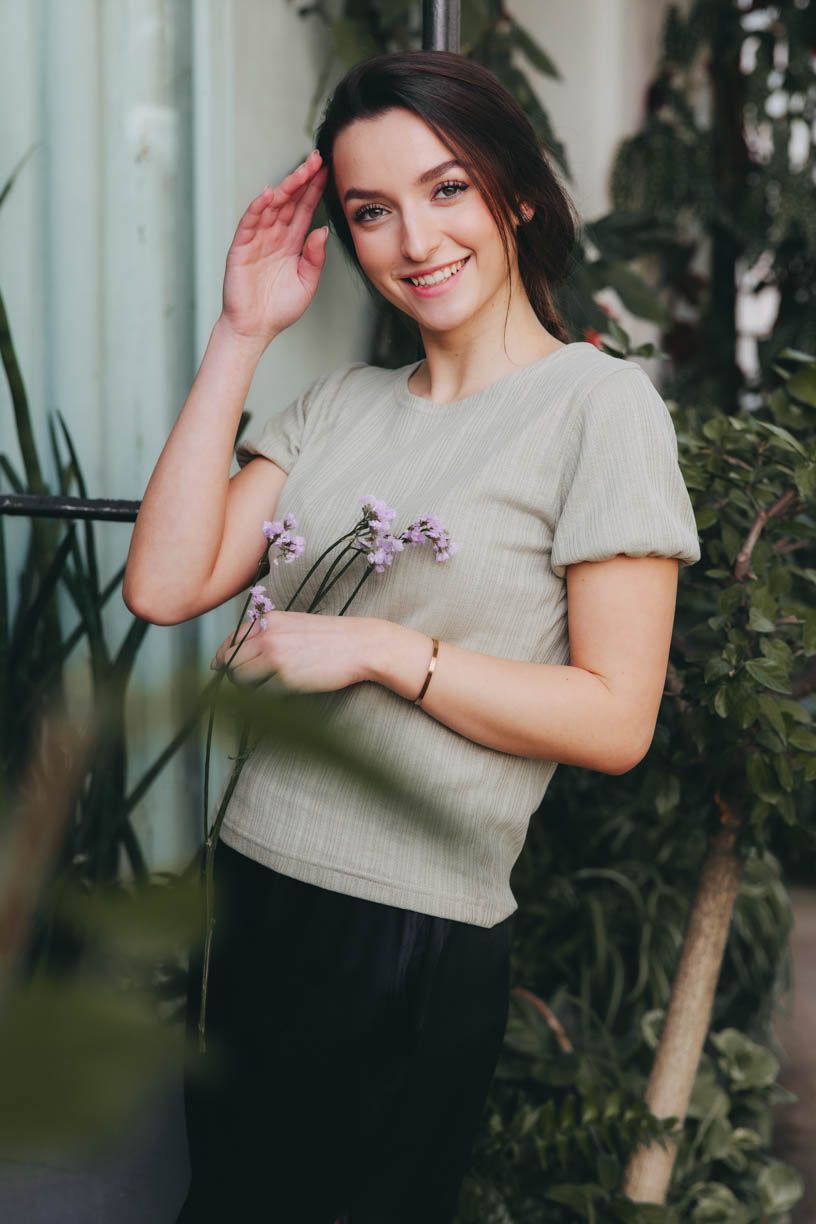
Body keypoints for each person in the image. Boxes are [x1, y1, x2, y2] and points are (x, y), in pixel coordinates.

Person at [123, 49, 701, 1224]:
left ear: (517, 194)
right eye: (371, 210)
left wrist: (381, 651)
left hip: (409, 938)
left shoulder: (599, 408)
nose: (416, 240)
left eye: (447, 189)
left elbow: (617, 718)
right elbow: (164, 585)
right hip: (250, 897)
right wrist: (241, 331)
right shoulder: (340, 404)